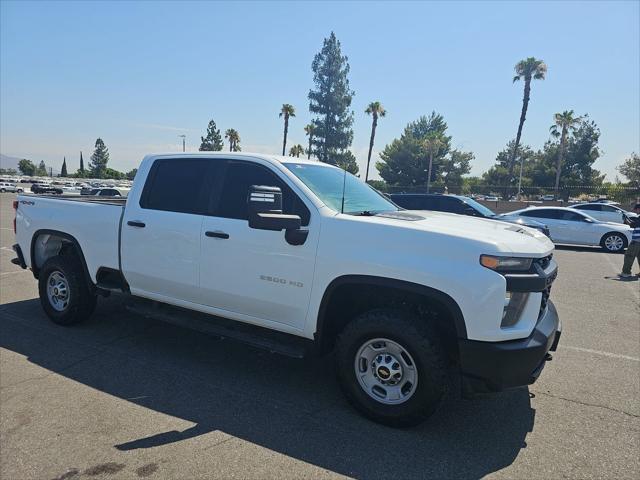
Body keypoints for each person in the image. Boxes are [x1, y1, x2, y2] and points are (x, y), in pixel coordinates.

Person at [620, 203, 640, 278]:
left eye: (636, 209)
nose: (635, 211)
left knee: (629, 256)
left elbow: (633, 225)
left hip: (637, 241)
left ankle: (626, 273)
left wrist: (626, 220)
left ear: (638, 209)